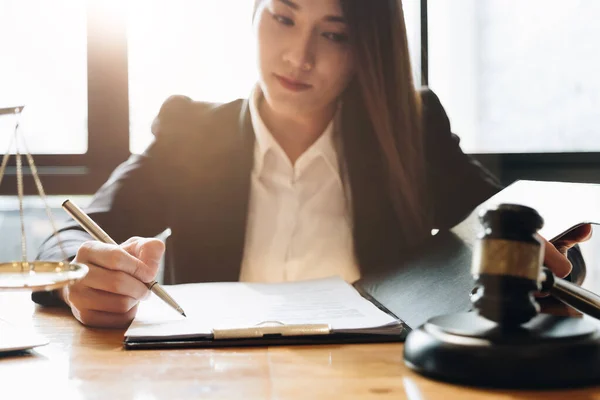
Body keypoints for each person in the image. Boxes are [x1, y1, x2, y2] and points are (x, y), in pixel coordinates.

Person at [33, 0, 592, 328]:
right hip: (215, 382)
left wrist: (548, 263)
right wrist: (84, 278)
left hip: (373, 382)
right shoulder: (191, 131)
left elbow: (508, 225)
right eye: (283, 18)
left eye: (334, 34)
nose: (299, 57)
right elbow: (64, 239)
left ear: (368, 48)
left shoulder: (409, 129)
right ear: (253, 14)